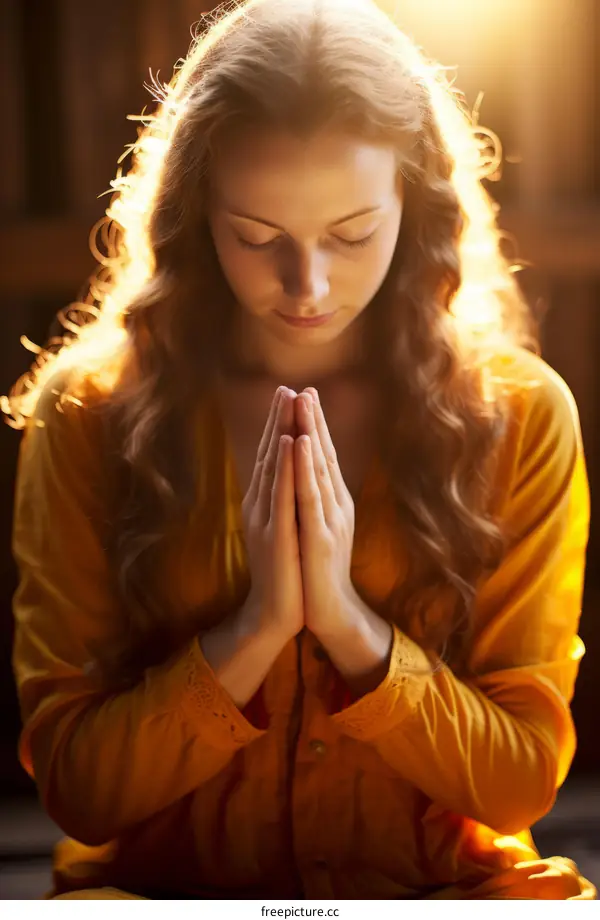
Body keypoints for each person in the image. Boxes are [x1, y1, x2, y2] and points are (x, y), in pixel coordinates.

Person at [5, 0, 595, 901]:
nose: (307, 285)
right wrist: (255, 629)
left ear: (417, 206)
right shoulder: (92, 411)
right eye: (256, 235)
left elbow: (519, 786)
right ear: (195, 213)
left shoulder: (516, 414)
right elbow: (81, 791)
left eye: (352, 235)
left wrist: (353, 629)